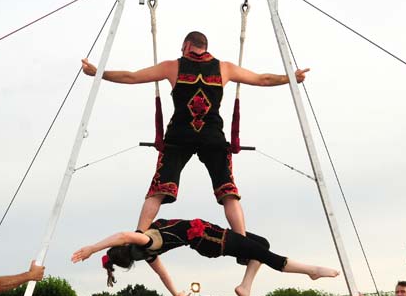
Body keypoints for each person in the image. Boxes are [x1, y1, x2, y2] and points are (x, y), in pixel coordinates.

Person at [81, 32, 309, 233]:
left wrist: (98, 72)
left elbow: (131, 77)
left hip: (180, 135)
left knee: (158, 189)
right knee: (228, 190)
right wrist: (291, 78)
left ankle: (139, 234)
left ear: (188, 45)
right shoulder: (224, 68)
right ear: (204, 46)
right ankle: (242, 238)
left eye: (182, 48)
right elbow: (263, 79)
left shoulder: (173, 66)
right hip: (212, 136)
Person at [72, 218, 338, 296]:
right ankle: (311, 271)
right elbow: (122, 234)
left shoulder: (149, 253)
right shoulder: (147, 240)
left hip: (208, 239)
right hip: (210, 239)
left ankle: (245, 286)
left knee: (261, 244)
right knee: (268, 256)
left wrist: (176, 294)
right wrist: (93, 248)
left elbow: (164, 275)